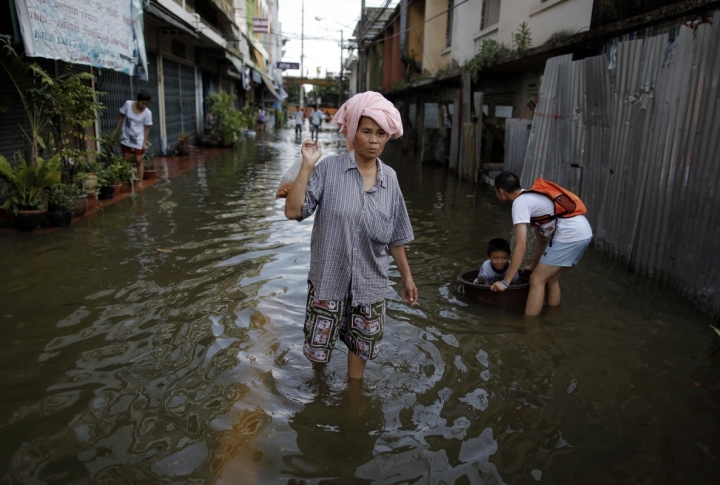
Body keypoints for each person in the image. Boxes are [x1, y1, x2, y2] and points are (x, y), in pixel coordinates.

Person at [284, 91, 417, 381]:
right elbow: (293, 211)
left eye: (380, 133)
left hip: (370, 285)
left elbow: (396, 235)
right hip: (328, 283)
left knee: (360, 356)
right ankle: (318, 389)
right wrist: (307, 165)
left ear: (387, 137)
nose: (373, 139)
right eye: (366, 131)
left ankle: (353, 400)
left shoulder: (390, 179)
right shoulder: (329, 170)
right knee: (318, 357)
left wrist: (407, 277)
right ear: (353, 132)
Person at [491, 171, 593, 315]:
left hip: (571, 234)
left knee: (537, 280)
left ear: (501, 192)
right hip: (583, 232)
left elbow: (521, 247)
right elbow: (541, 240)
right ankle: (552, 318)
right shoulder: (531, 197)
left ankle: (529, 327)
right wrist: (534, 266)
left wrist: (505, 282)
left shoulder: (520, 204)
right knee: (551, 279)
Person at [115, 90, 152, 182]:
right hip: (126, 135)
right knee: (127, 159)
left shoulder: (147, 113)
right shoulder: (128, 104)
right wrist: (116, 130)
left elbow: (147, 128)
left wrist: (144, 143)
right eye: (142, 103)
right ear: (137, 100)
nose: (144, 106)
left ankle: (140, 182)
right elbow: (121, 116)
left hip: (138, 138)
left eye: (146, 104)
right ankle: (129, 179)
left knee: (139, 160)